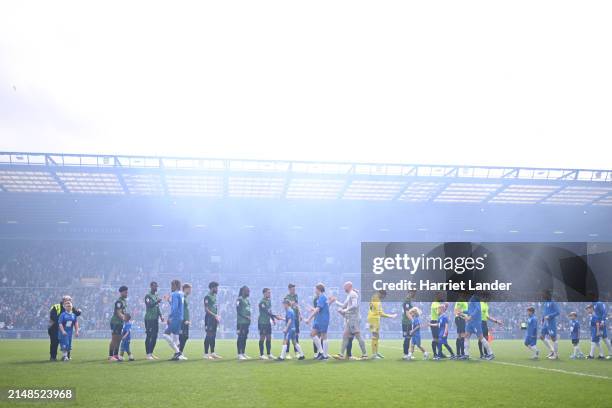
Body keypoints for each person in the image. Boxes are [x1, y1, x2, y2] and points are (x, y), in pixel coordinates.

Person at [332, 282, 368, 360]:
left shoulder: (353, 294)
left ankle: (365, 354)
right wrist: (335, 301)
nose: (344, 288)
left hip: (354, 318)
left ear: (349, 286)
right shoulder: (349, 295)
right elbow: (343, 305)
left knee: (358, 336)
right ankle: (341, 354)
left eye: (345, 286)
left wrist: (345, 310)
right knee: (345, 336)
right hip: (350, 318)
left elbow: (354, 305)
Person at [461, 293, 494, 360]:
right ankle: (466, 355)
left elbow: (478, 309)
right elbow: (470, 311)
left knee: (481, 337)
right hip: (470, 322)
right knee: (466, 336)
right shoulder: (470, 299)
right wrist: (462, 311)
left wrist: (470, 316)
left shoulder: (475, 298)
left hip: (476, 322)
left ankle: (491, 354)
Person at [48, 295, 81, 361]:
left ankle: (66, 356)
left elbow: (75, 314)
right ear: (63, 300)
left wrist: (79, 311)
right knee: (54, 342)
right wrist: (62, 322)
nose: (70, 301)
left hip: (65, 329)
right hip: (55, 328)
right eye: (68, 300)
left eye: (70, 300)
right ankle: (53, 357)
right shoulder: (56, 307)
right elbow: (52, 317)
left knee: (67, 342)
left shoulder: (70, 306)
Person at [366, 289, 396, 359]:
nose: (384, 298)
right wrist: (391, 316)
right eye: (383, 296)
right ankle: (374, 354)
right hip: (374, 319)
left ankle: (376, 352)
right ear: (381, 294)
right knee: (375, 336)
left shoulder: (374, 298)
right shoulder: (377, 301)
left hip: (372, 318)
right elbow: (380, 313)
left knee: (376, 336)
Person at [305, 283, 330, 360]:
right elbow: (320, 309)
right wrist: (313, 309)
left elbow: (318, 309)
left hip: (323, 319)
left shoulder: (322, 297)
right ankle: (322, 353)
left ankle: (324, 355)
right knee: (313, 334)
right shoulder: (321, 297)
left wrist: (309, 318)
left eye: (315, 289)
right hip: (319, 319)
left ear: (319, 289)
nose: (315, 291)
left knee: (323, 336)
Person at [163, 279, 186, 361]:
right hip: (180, 317)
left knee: (165, 335)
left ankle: (177, 352)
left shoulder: (175, 294)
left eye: (172, 285)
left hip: (175, 317)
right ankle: (180, 355)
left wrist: (170, 317)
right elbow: (177, 305)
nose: (171, 287)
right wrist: (169, 300)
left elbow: (175, 307)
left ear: (175, 286)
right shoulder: (181, 294)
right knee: (176, 337)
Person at [258, 288, 280, 360]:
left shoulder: (269, 301)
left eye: (270, 293)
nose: (270, 294)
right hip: (262, 322)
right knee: (262, 337)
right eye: (268, 292)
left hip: (268, 322)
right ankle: (261, 354)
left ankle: (269, 354)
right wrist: (275, 316)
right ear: (264, 293)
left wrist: (273, 319)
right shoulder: (262, 302)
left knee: (269, 337)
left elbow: (270, 311)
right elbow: (266, 312)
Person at [144, 281, 163, 360]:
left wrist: (161, 315)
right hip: (149, 319)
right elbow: (149, 305)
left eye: (157, 286)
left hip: (155, 319)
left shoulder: (156, 296)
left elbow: (157, 307)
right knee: (149, 336)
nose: (156, 288)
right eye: (155, 286)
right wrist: (156, 302)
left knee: (155, 336)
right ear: (151, 286)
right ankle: (148, 354)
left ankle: (151, 353)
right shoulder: (147, 296)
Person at [109, 286, 128, 362]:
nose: (127, 293)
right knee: (114, 339)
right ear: (121, 292)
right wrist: (124, 318)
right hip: (115, 322)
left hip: (120, 322)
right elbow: (118, 312)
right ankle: (110, 356)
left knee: (119, 339)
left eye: (127, 292)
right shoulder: (119, 302)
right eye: (126, 292)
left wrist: (125, 318)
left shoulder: (124, 301)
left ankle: (116, 355)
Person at [204, 281, 222, 359]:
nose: (217, 289)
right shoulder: (207, 296)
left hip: (214, 318)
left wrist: (217, 316)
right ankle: (205, 354)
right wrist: (215, 315)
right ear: (212, 288)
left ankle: (212, 353)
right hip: (209, 318)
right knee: (209, 335)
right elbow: (206, 309)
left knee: (213, 335)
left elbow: (215, 308)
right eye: (216, 288)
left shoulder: (214, 296)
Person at [540, 290, 560, 360]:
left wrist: (549, 316)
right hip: (546, 323)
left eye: (544, 294)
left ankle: (556, 355)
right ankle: (552, 350)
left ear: (548, 295)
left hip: (551, 323)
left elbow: (558, 312)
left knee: (553, 338)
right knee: (541, 336)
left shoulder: (553, 302)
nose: (542, 295)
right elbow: (545, 311)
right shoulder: (546, 303)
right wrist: (542, 318)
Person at [283, 283, 301, 359]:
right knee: (288, 335)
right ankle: (287, 353)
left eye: (294, 289)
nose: (294, 290)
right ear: (289, 289)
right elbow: (285, 307)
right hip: (290, 317)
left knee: (296, 335)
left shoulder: (296, 296)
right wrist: (291, 303)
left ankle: (296, 352)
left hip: (296, 318)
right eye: (293, 289)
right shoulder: (286, 297)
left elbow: (297, 305)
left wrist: (300, 315)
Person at [236, 286, 252, 360]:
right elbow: (238, 311)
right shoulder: (239, 299)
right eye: (247, 291)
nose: (248, 292)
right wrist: (246, 317)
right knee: (240, 337)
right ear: (243, 291)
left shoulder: (247, 300)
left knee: (245, 337)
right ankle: (239, 354)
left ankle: (243, 353)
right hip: (241, 322)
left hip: (246, 322)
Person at [178, 283, 192, 356]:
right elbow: (180, 308)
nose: (190, 291)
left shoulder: (185, 297)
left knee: (185, 336)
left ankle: (180, 352)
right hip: (183, 320)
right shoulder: (182, 296)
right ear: (186, 289)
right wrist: (184, 319)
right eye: (190, 289)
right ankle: (179, 352)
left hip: (186, 320)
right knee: (183, 336)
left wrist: (188, 319)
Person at [401, 291, 415, 360]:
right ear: (409, 293)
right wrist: (413, 320)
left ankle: (406, 354)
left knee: (408, 338)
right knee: (407, 338)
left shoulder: (408, 301)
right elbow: (407, 313)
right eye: (412, 293)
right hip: (406, 322)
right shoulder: (407, 301)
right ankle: (406, 354)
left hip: (407, 322)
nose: (413, 294)